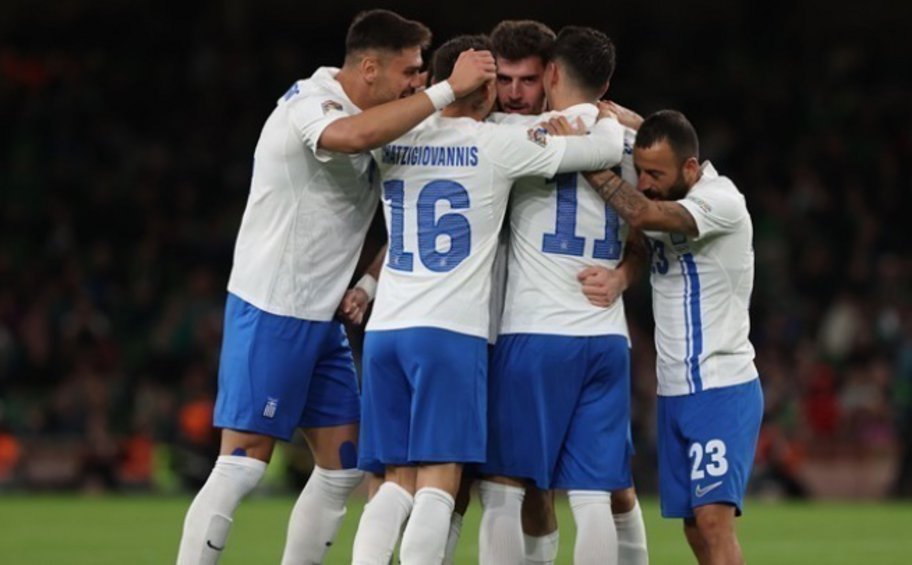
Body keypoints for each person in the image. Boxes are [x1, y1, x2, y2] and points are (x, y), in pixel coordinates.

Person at [175, 9, 496, 565]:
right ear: (369, 67)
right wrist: (447, 90)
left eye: (424, 71)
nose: (417, 82)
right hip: (273, 305)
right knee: (244, 462)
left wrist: (370, 280)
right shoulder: (311, 101)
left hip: (322, 318)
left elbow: (415, 213)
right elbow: (347, 137)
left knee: (344, 464)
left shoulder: (388, 117)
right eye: (410, 71)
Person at [350, 34, 625, 565]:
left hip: (386, 332)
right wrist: (611, 118)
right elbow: (602, 150)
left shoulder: (393, 136)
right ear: (485, 91)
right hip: (451, 336)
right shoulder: (495, 145)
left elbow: (363, 130)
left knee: (393, 482)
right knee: (439, 483)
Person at [478, 26, 648, 565]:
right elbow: (651, 225)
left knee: (504, 486)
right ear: (608, 82)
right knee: (594, 492)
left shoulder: (521, 132)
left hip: (535, 332)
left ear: (551, 73)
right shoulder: (630, 144)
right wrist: (623, 276)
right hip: (606, 336)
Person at [577, 110, 763, 565]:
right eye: (639, 171)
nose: (643, 182)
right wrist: (610, 111)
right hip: (675, 390)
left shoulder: (721, 201)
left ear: (691, 169)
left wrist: (583, 159)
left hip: (721, 386)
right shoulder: (669, 178)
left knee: (714, 521)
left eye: (655, 174)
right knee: (694, 527)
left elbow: (642, 213)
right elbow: (642, 132)